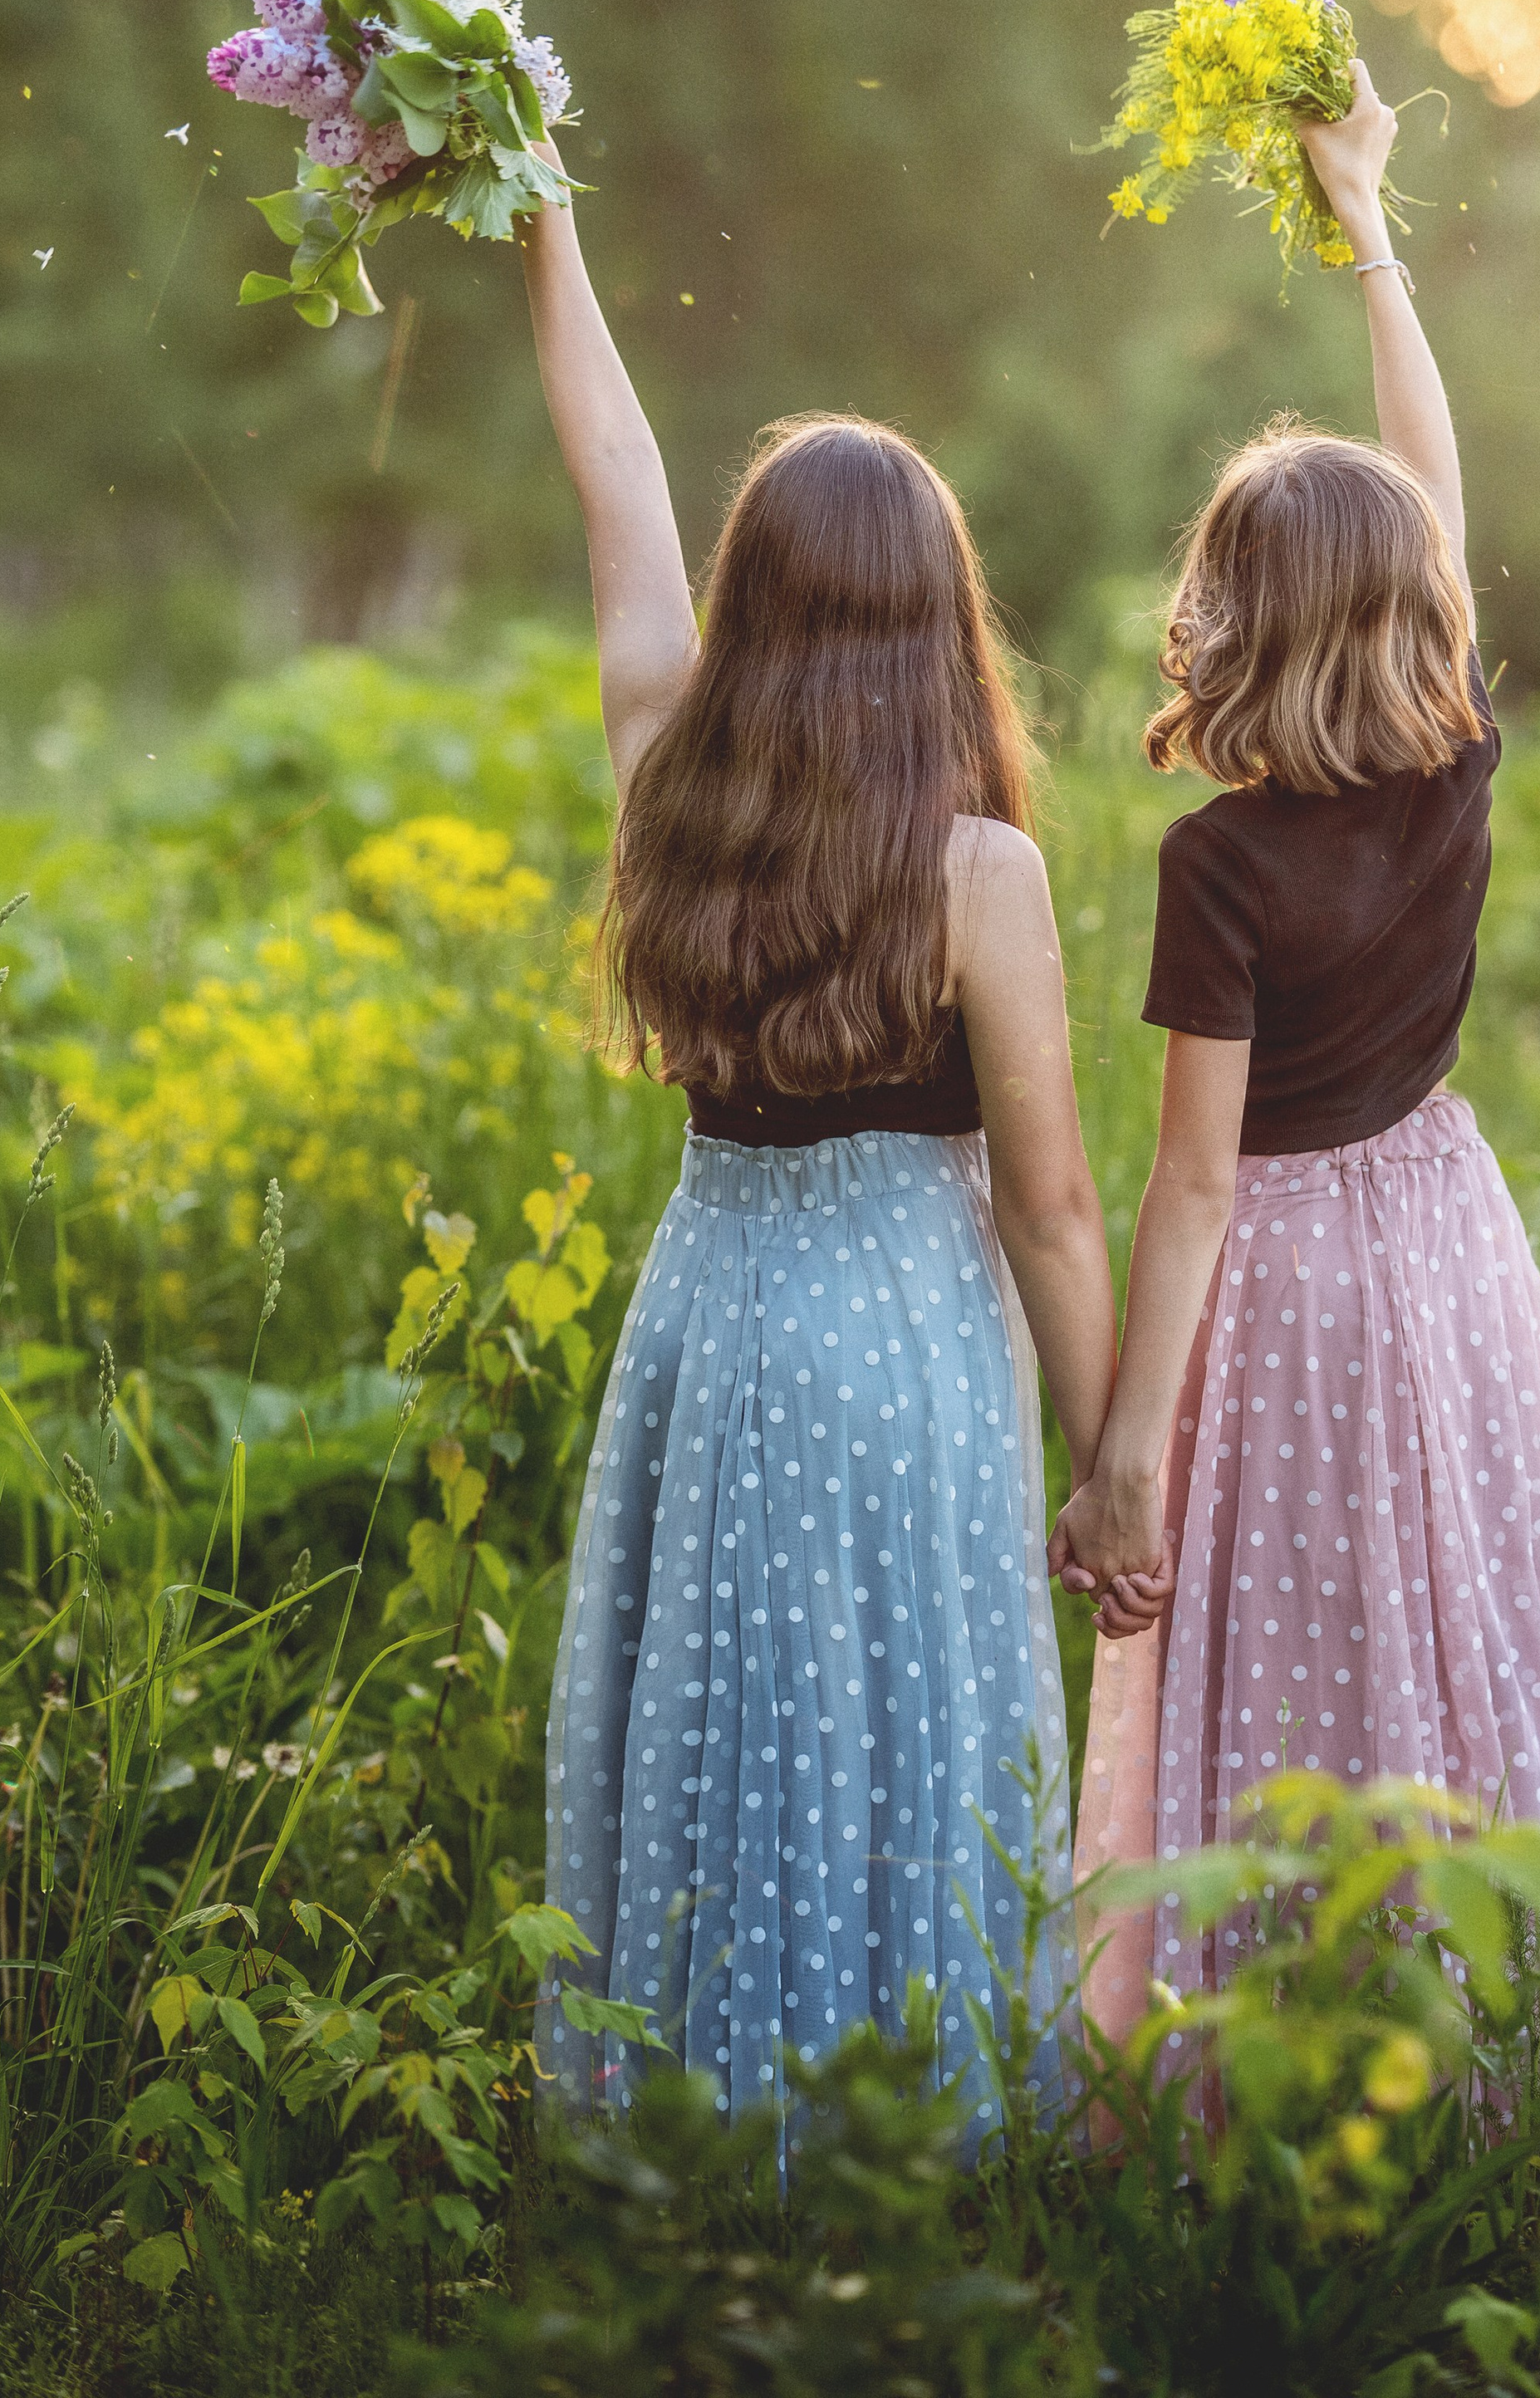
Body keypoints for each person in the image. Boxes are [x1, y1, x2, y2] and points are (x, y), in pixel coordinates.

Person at [1052, 69, 1540, 2085]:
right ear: (1417, 612)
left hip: (1291, 1289)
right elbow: (1433, 495)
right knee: (1449, 1608)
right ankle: (1478, 2027)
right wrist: (1367, 228)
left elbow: (1193, 1184)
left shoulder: (1217, 864)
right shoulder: (1450, 755)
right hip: (1442, 1237)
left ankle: (1277, 2045)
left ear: (1224, 615)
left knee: (1304, 1638)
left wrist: (1124, 1450)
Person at [519, 144, 1118, 2130]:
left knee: (727, 1719)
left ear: (750, 602)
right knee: (903, 1725)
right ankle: (907, 2132)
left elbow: (613, 476)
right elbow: (1048, 1203)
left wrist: (546, 217)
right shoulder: (976, 871)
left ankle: (699, 2127)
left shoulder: (664, 773)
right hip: (908, 1339)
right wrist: (1113, 1460)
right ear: (939, 620)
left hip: (714, 1316)